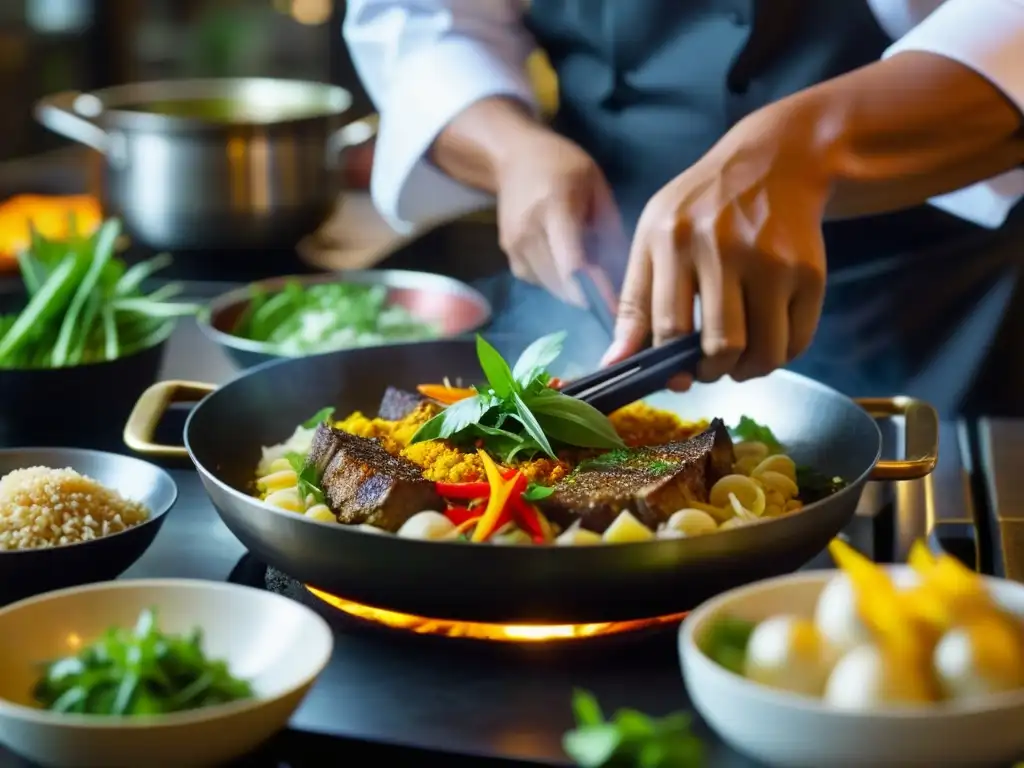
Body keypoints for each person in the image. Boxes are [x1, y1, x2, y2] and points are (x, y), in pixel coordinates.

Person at [343, 0, 1024, 416]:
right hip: (605, 270)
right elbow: (419, 15)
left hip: (939, 302)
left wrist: (807, 145)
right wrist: (510, 149)